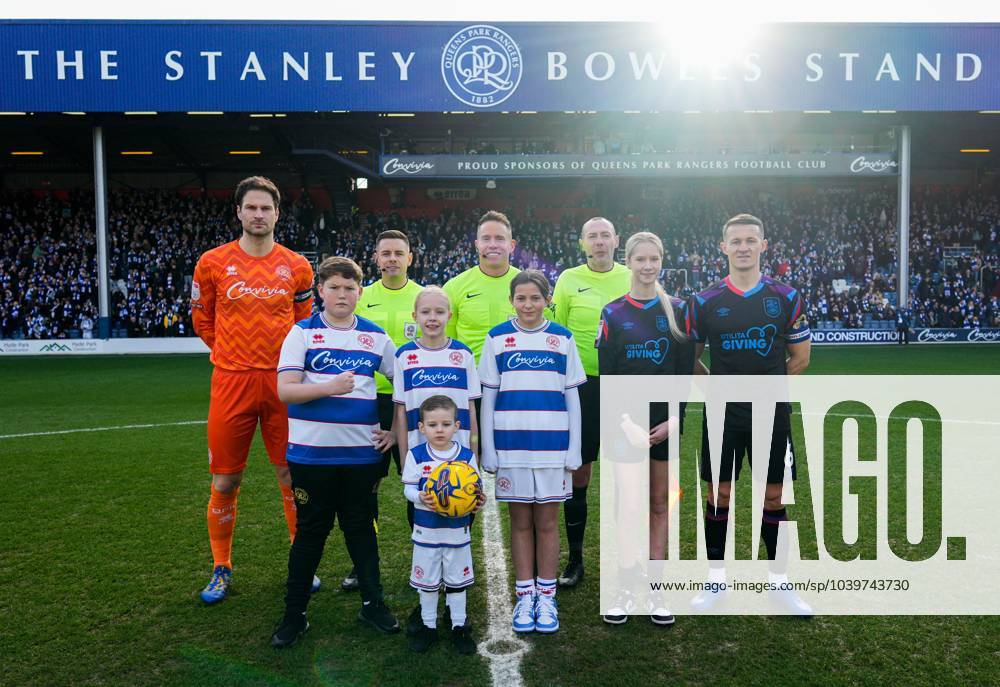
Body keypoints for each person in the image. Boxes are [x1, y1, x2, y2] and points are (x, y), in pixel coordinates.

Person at [190, 176, 315, 604]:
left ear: (277, 214)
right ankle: (221, 566)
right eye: (251, 208)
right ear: (239, 212)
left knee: (289, 473)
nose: (258, 215)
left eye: (266, 208)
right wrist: (232, 354)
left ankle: (301, 561)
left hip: (283, 384)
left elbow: (304, 325)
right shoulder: (211, 263)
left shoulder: (297, 266)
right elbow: (202, 321)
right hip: (231, 381)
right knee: (225, 480)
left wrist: (281, 365)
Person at [270, 256, 400, 647]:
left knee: (361, 530)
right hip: (311, 457)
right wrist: (329, 386)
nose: (342, 294)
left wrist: (394, 431)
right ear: (320, 292)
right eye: (334, 287)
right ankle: (295, 615)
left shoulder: (376, 337)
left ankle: (372, 604)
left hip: (361, 457)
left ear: (360, 292)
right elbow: (286, 390)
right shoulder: (302, 333)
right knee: (310, 532)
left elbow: (405, 386)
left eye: (349, 288)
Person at [686, 213, 812, 615]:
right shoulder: (704, 301)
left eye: (750, 240)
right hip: (723, 414)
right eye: (735, 241)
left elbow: (801, 358)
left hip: (772, 413)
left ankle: (779, 582)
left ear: (763, 245)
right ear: (723, 247)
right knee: (719, 494)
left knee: (773, 496)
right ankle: (716, 578)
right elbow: (690, 361)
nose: (743, 247)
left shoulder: (786, 296)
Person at [478, 270, 585, 634]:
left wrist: (575, 449)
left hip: (553, 448)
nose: (528, 305)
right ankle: (526, 595)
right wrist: (489, 450)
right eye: (521, 298)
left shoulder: (562, 339)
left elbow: (573, 396)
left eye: (535, 298)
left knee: (548, 522)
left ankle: (547, 595)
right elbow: (488, 396)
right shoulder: (496, 339)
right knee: (520, 522)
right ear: (511, 300)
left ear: (547, 300)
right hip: (512, 449)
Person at [596, 231, 694, 626]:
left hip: (664, 422)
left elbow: (683, 374)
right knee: (630, 506)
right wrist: (625, 423)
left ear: (661, 260)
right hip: (625, 423)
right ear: (629, 261)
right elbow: (609, 374)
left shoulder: (678, 310)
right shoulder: (613, 312)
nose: (648, 266)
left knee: (659, 504)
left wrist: (675, 418)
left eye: (654, 259)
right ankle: (624, 587)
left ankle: (657, 590)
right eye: (641, 259)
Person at [393, 286, 481, 635]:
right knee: (423, 521)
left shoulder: (462, 355)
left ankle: (454, 595)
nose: (432, 318)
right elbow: (400, 411)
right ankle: (428, 591)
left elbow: (471, 407)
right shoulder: (404, 356)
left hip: (457, 459)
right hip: (421, 456)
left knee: (458, 521)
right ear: (415, 317)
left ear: (449, 316)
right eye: (425, 312)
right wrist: (403, 457)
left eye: (439, 312)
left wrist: (475, 450)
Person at [340, 229, 423, 592]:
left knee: (416, 480)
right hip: (367, 403)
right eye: (385, 252)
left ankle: (424, 554)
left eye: (398, 253)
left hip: (414, 402)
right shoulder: (362, 297)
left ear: (410, 258)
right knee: (364, 486)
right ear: (375, 258)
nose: (391, 258)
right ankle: (363, 562)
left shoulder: (425, 297)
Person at [550, 217, 631, 588]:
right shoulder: (567, 279)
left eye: (605, 235)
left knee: (624, 477)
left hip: (623, 385)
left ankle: (624, 561)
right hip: (581, 387)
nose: (599, 242)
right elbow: (560, 332)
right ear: (583, 243)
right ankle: (576, 559)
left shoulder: (633, 277)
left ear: (616, 240)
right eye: (592, 236)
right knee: (578, 473)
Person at [402, 395, 485, 655]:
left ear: (457, 426)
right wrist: (420, 497)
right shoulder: (416, 456)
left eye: (446, 424)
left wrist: (477, 501)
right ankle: (428, 627)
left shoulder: (467, 457)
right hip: (426, 530)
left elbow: (475, 490)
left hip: (457, 532)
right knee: (427, 582)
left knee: (456, 581)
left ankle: (458, 626)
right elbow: (408, 489)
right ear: (422, 427)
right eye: (433, 424)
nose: (440, 430)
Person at [443, 210, 521, 364]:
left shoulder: (527, 285)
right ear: (477, 245)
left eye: (499, 238)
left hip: (516, 375)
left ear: (511, 245)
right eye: (486, 239)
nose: (493, 245)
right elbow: (446, 341)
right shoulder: (453, 287)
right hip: (470, 378)